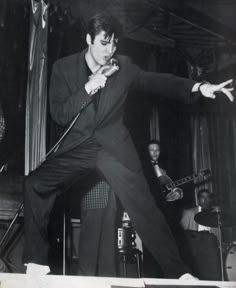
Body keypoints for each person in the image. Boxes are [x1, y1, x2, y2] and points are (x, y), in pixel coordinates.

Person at [22, 13, 234, 279]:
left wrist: (198, 86)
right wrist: (87, 88)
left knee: (145, 209)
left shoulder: (123, 67)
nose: (109, 50)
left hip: (113, 149)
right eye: (103, 43)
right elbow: (59, 113)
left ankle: (180, 273)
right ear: (88, 39)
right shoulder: (63, 68)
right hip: (79, 148)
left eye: (113, 44)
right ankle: (36, 262)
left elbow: (158, 81)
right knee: (35, 184)